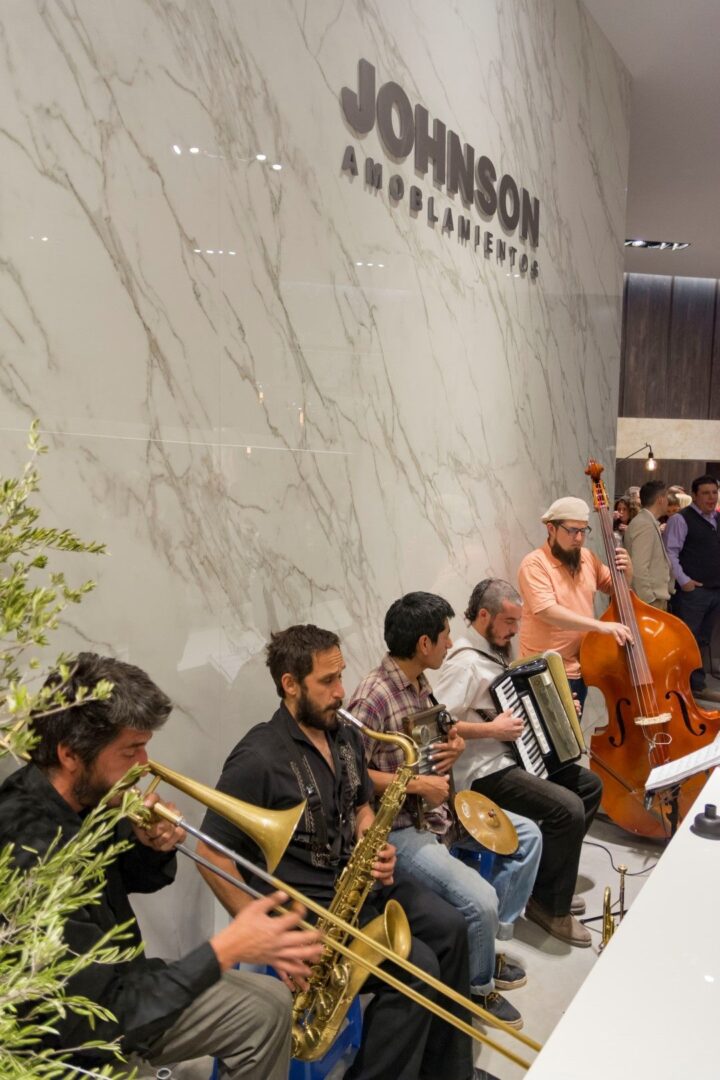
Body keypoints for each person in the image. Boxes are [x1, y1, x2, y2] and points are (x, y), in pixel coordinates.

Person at [0, 652, 324, 1080]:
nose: (144, 765)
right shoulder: (29, 851)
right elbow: (102, 1016)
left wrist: (147, 845)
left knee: (268, 1005)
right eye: (131, 751)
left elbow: (120, 882)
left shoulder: (83, 799)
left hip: (124, 980)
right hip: (77, 1041)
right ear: (70, 755)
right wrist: (225, 950)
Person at [196, 624, 495, 1080]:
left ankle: (447, 1073)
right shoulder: (257, 757)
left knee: (451, 927)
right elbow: (210, 852)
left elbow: (360, 806)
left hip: (358, 887)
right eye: (327, 681)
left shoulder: (344, 735)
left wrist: (374, 841)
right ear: (290, 684)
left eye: (341, 676)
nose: (341, 691)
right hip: (308, 909)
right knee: (416, 967)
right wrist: (266, 936)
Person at [347, 593, 542, 1030]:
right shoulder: (373, 697)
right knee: (480, 899)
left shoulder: (419, 681)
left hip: (439, 810)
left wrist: (453, 744)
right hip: (401, 828)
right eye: (445, 635)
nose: (451, 644)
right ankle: (476, 988)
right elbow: (350, 774)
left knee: (528, 836)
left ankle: (483, 946)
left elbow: (441, 730)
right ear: (424, 643)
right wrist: (417, 784)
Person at [433, 580, 602, 948]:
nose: (514, 630)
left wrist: (561, 706)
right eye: (509, 622)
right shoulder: (464, 662)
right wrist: (491, 729)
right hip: (481, 772)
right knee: (567, 809)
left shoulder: (495, 653)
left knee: (589, 786)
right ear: (484, 615)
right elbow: (438, 723)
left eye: (517, 622)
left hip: (511, 759)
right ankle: (550, 908)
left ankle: (545, 888)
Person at [516, 496, 634, 710]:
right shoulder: (534, 564)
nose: (578, 538)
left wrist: (627, 572)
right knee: (553, 731)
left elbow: (613, 588)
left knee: (573, 729)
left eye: (583, 530)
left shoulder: (587, 557)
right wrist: (600, 626)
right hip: (543, 670)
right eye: (571, 531)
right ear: (551, 529)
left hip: (579, 667)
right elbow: (547, 611)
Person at [664, 473, 720, 694]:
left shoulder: (717, 519)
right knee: (687, 638)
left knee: (703, 639)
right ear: (694, 496)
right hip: (692, 593)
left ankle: (696, 682)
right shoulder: (681, 519)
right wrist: (684, 581)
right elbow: (670, 553)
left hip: (715, 590)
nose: (711, 497)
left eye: (714, 493)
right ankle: (682, 685)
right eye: (705, 493)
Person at [622, 480, 674, 610]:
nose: (668, 502)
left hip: (653, 599)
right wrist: (648, 600)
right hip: (650, 602)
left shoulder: (647, 521)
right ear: (661, 499)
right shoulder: (644, 524)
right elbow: (639, 567)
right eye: (667, 497)